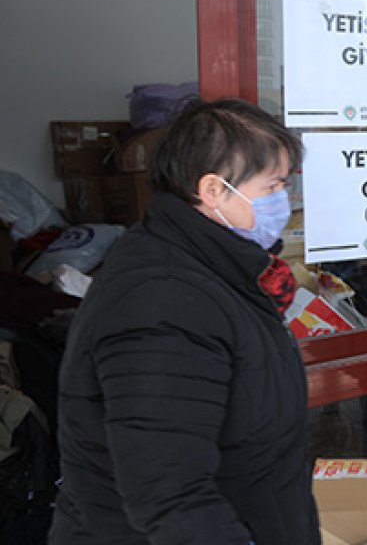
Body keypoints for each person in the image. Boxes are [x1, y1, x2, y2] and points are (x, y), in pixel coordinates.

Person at [52, 99, 320, 544]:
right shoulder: (163, 300)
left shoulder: (211, 268)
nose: (284, 201)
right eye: (272, 186)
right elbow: (169, 491)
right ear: (213, 190)